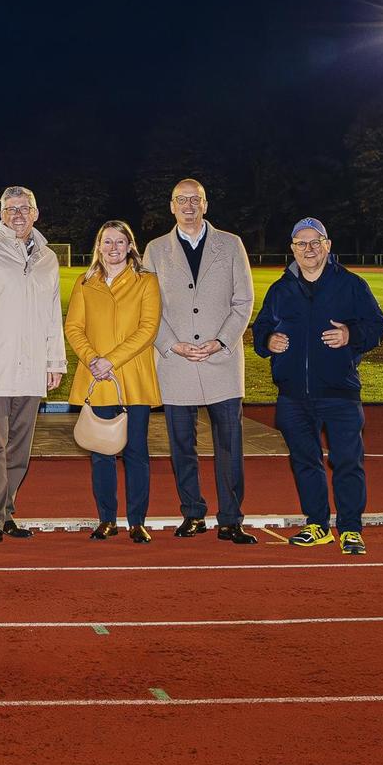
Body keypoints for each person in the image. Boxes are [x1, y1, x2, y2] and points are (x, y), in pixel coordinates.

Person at [251, 217, 383, 556]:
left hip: (339, 391)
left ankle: (351, 529)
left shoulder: (352, 285)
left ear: (327, 245)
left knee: (346, 461)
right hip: (293, 394)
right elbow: (259, 330)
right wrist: (268, 341)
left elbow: (377, 326)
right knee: (304, 460)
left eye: (315, 242)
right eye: (301, 243)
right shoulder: (280, 288)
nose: (309, 249)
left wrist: (350, 335)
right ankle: (316, 524)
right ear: (292, 249)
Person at [142, 179, 258, 545]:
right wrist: (171, 344)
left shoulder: (231, 244)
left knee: (229, 444)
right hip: (176, 362)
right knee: (181, 445)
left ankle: (230, 518)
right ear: (171, 206)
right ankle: (193, 513)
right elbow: (146, 309)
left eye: (195, 200)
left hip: (221, 359)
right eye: (182, 200)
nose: (189, 206)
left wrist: (222, 340)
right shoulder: (155, 250)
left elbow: (244, 301)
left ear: (206, 205)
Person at [0, 186, 66, 547]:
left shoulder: (48, 259)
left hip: (33, 366)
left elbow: (53, 316)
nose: (17, 214)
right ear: (1, 214)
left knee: (20, 446)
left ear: (36, 213)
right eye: (10, 208)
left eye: (24, 208)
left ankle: (6, 513)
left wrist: (55, 361)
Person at [64, 221, 161, 542]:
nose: (114, 248)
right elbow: (74, 327)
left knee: (136, 452)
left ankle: (137, 521)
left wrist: (111, 360)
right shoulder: (85, 281)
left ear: (131, 246)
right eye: (107, 242)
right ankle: (107, 519)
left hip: (133, 377)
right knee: (102, 454)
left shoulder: (146, 281)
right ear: (99, 246)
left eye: (120, 242)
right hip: (98, 378)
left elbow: (148, 329)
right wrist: (93, 359)